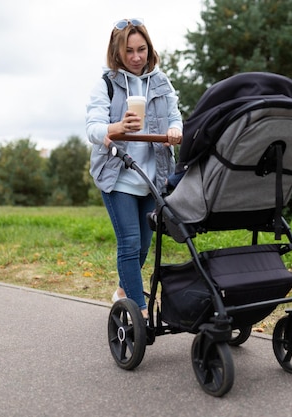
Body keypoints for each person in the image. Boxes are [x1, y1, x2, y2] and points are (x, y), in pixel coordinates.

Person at [85, 18, 183, 319]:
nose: (136, 57)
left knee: (143, 247)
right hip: (119, 177)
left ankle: (122, 293)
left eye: (141, 49)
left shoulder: (162, 82)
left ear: (149, 49)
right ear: (118, 51)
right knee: (129, 243)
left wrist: (176, 131)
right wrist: (117, 127)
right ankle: (138, 311)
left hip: (152, 178)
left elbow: (175, 117)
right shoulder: (106, 84)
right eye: (129, 51)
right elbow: (93, 128)